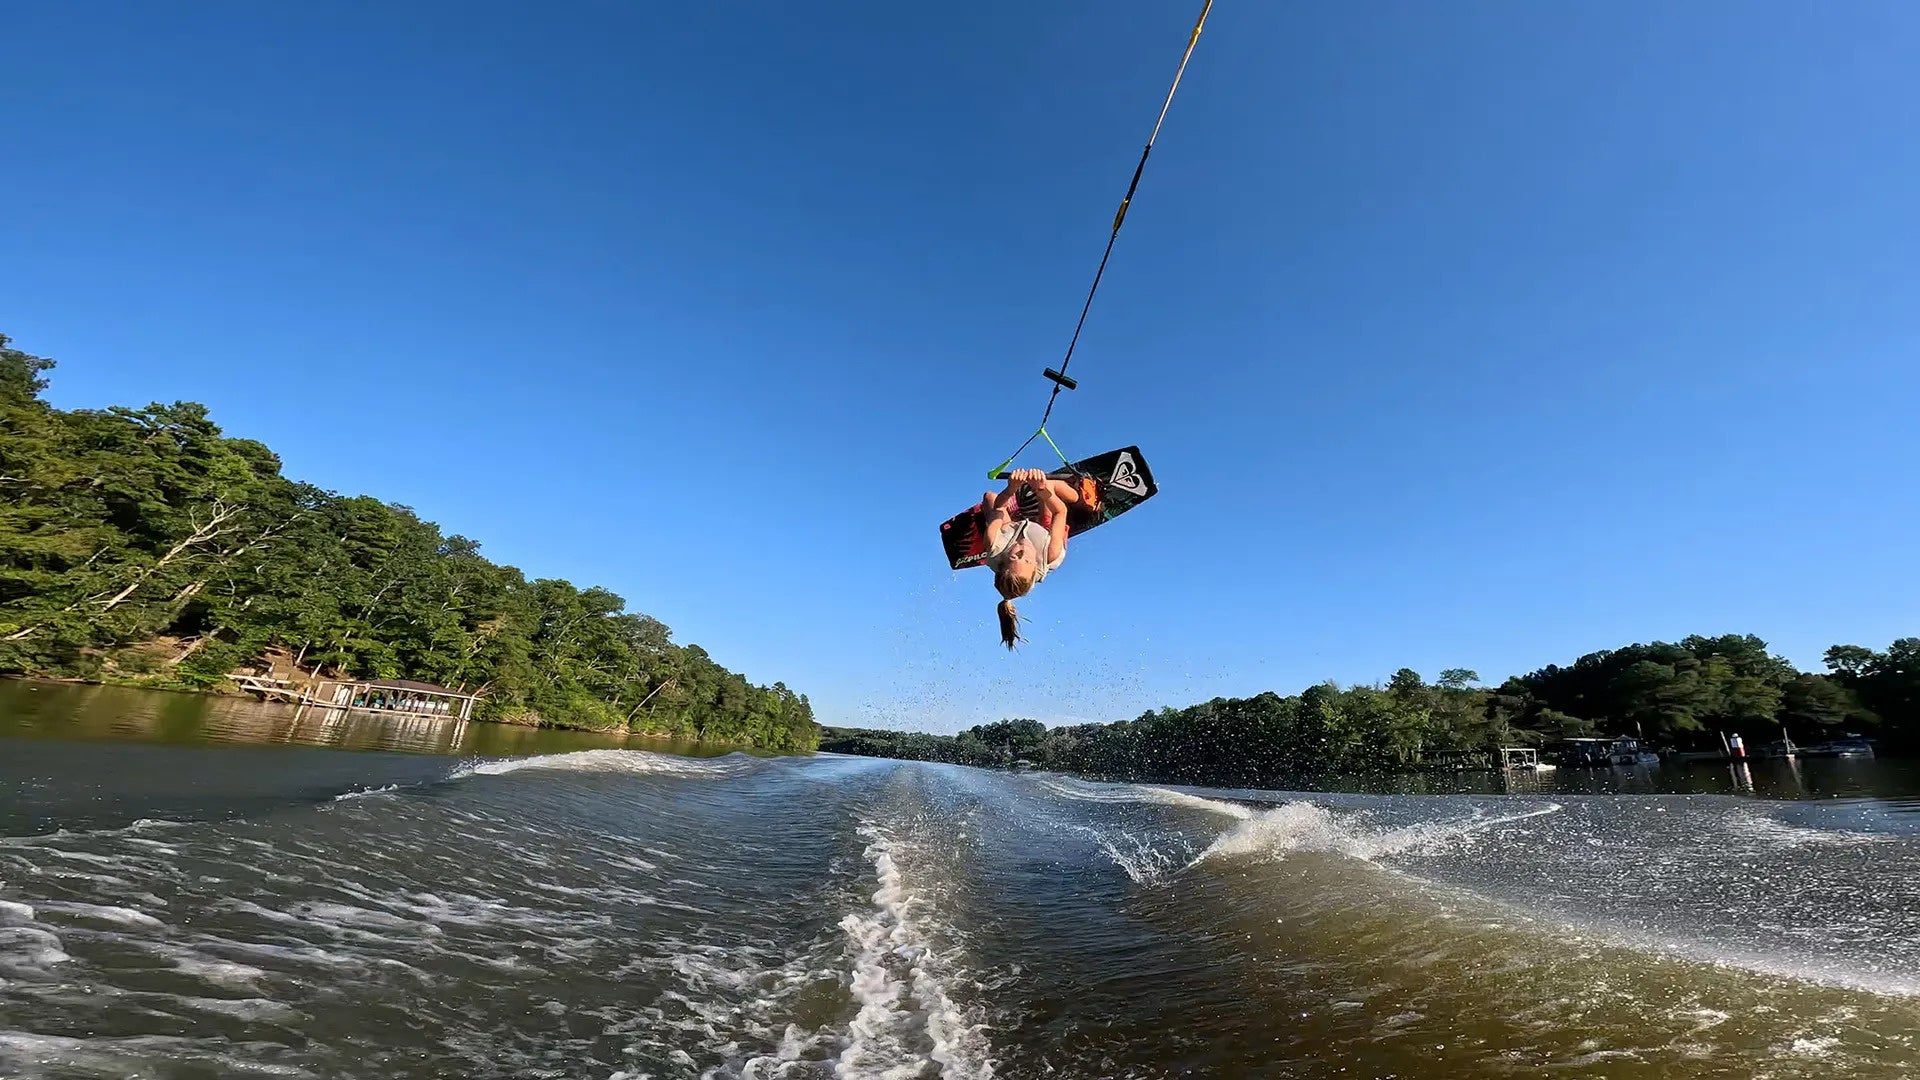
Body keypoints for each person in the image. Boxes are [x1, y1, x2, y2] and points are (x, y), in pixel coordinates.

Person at [981, 468, 1101, 648]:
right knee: (1050, 486)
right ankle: (1085, 501)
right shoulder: (1050, 552)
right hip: (1044, 535)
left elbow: (998, 507)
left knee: (990, 497)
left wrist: (1010, 489)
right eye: (1027, 560)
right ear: (1035, 566)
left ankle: (1017, 517)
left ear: (1005, 558)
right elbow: (1060, 512)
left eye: (1016, 556)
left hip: (1013, 533)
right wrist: (1042, 490)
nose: (1023, 549)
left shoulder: (995, 545)